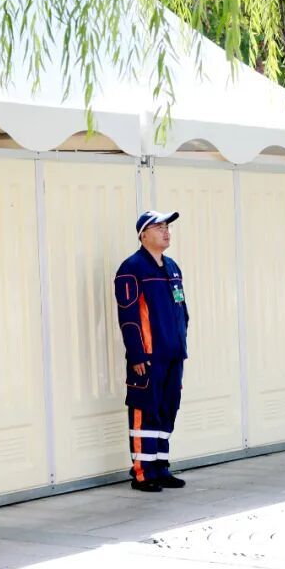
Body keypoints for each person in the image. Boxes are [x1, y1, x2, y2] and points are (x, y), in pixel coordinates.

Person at [114, 210, 189, 492]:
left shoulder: (172, 267)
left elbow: (182, 309)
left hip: (173, 354)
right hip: (147, 357)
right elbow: (129, 316)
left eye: (167, 227)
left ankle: (160, 467)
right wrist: (137, 354)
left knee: (167, 409)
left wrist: (181, 342)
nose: (166, 231)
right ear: (143, 235)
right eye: (158, 227)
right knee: (145, 411)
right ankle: (142, 473)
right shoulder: (131, 268)